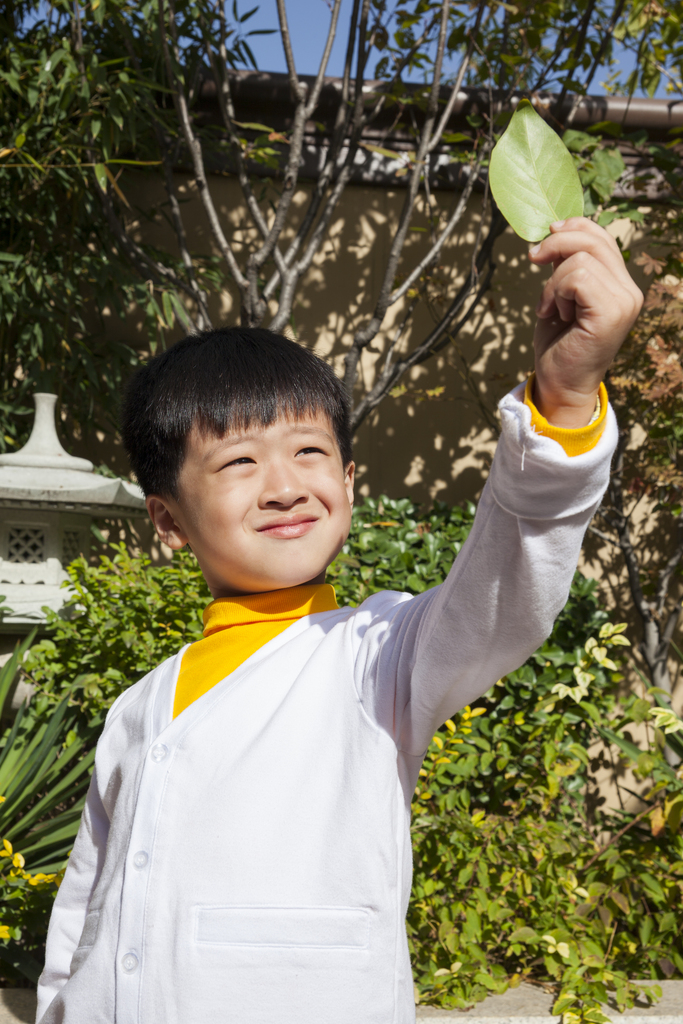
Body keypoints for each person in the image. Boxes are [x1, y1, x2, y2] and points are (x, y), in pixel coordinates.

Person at [36, 218, 642, 1024]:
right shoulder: (142, 705)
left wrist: (563, 403)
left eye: (310, 453)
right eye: (238, 462)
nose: (284, 485)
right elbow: (88, 901)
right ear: (168, 520)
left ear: (350, 482)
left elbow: (501, 593)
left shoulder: (379, 657)